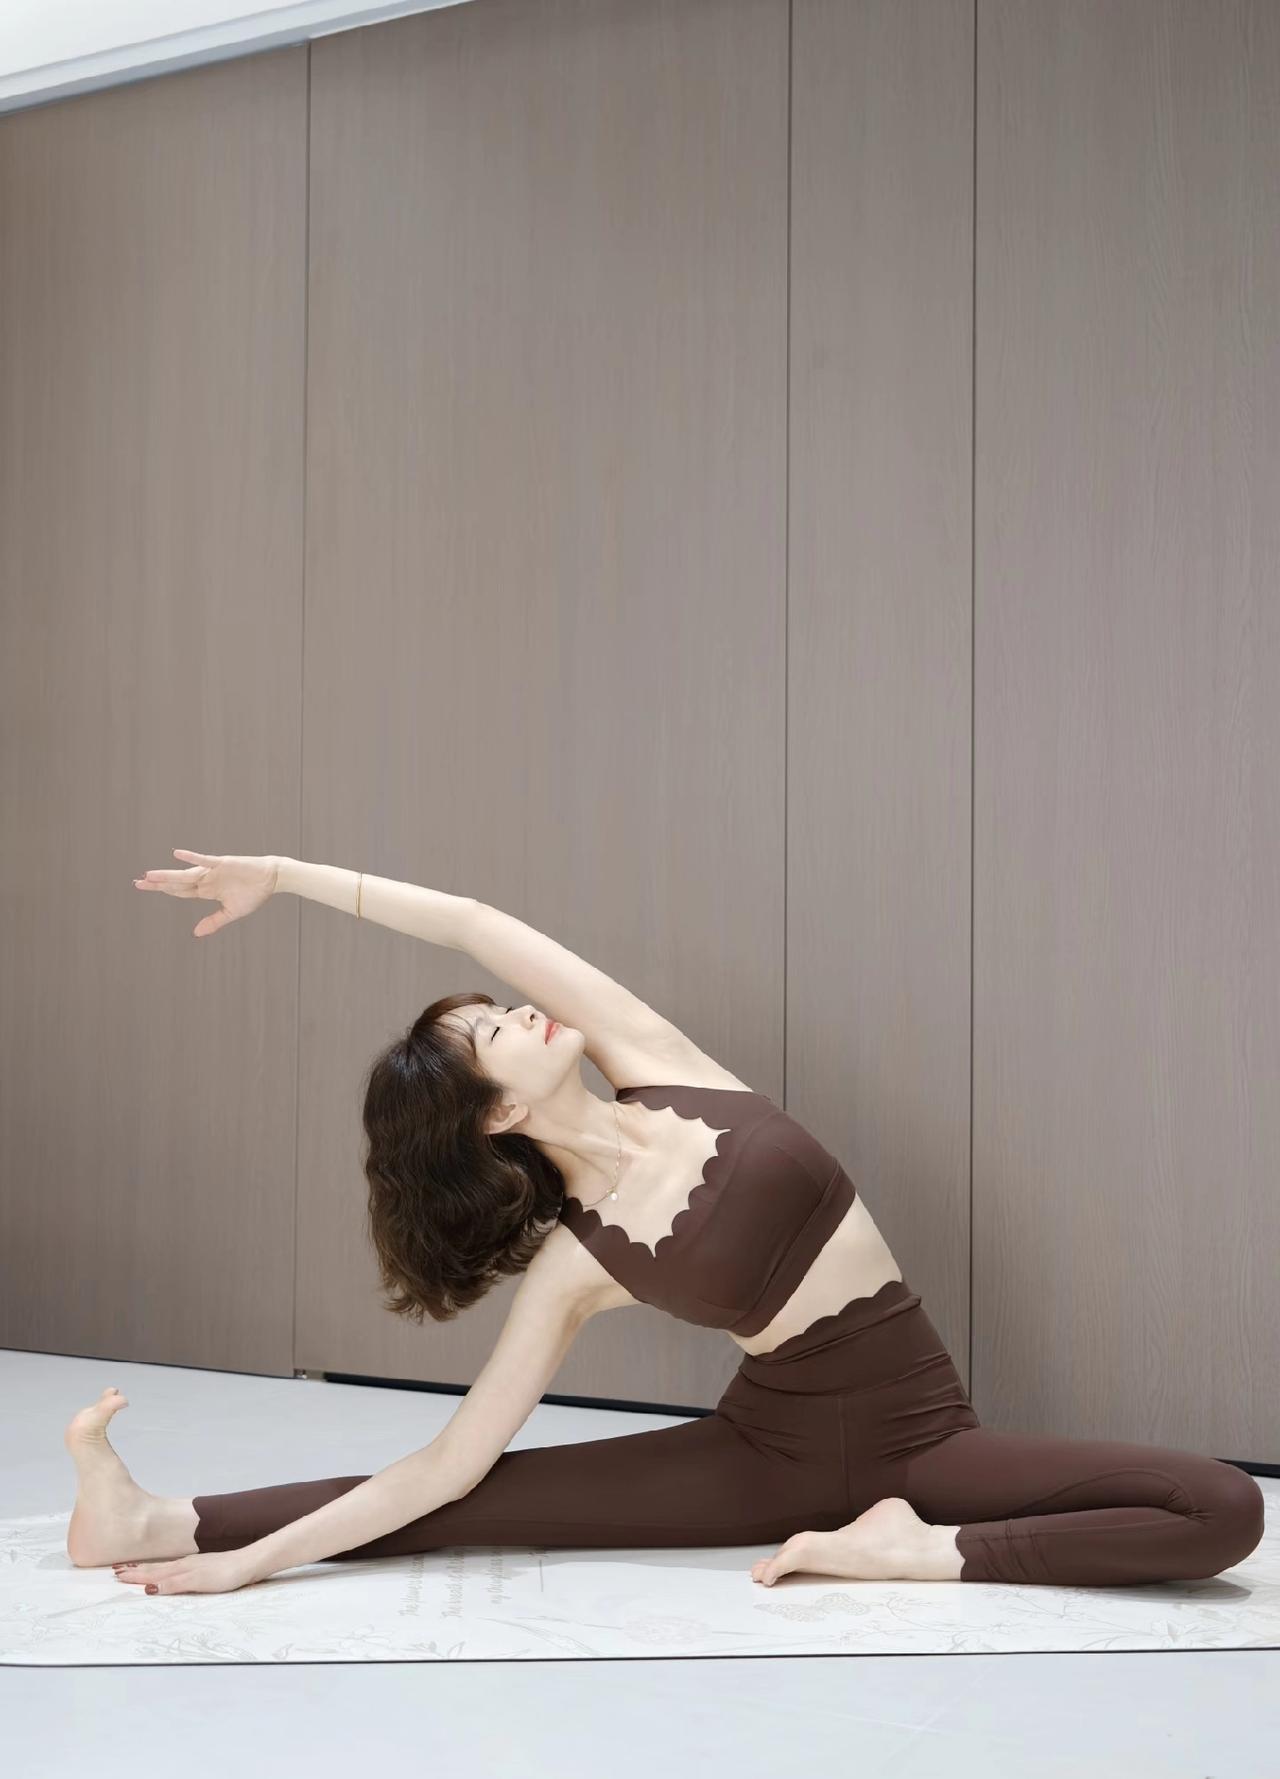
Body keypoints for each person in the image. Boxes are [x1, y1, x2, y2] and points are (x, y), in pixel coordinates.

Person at [67, 853, 1265, 1598]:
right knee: (480, 1502)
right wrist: (240, 1563)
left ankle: (904, 1552)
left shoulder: (663, 1067)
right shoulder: (578, 1260)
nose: (520, 1013)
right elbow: (447, 1463)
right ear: (494, 1116)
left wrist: (284, 875)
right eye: (492, 1035)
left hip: (923, 1442)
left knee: (1221, 1509)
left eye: (498, 1011)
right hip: (763, 1458)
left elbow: (472, 919)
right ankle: (158, 1518)